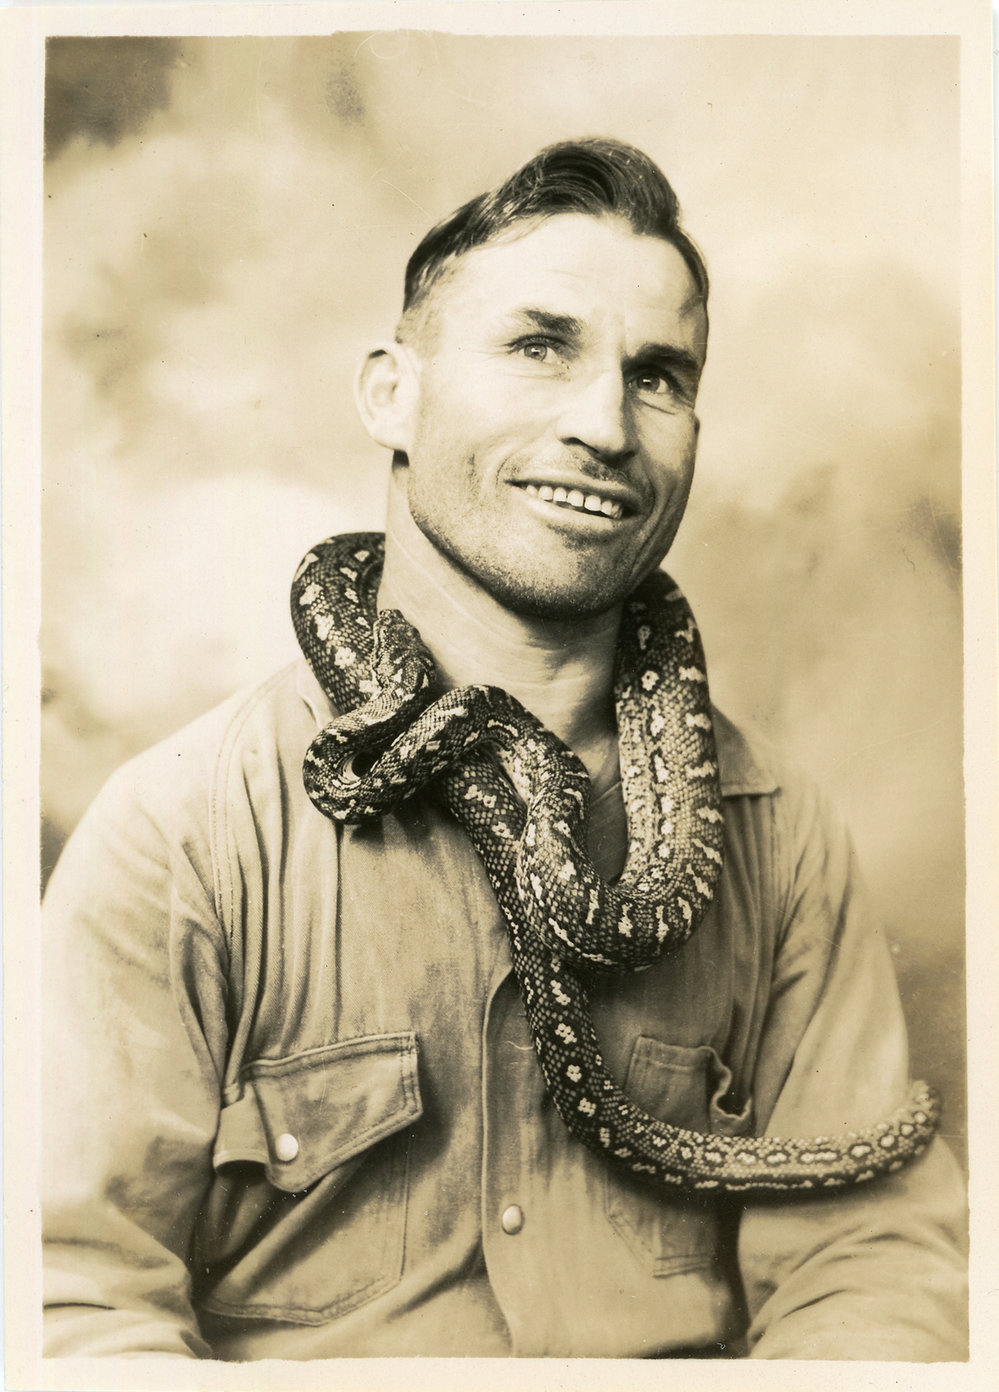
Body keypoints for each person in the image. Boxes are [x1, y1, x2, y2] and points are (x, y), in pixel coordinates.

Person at [41, 138, 967, 1361]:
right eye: (540, 346)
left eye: (659, 376)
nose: (604, 426)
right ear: (392, 396)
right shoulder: (181, 832)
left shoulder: (779, 835)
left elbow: (871, 1267)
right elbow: (67, 1305)